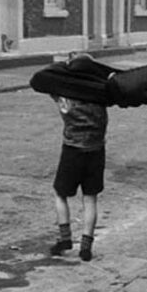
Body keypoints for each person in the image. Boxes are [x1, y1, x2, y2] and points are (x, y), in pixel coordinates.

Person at [47, 55, 108, 262]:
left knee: (60, 193)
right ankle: (86, 246)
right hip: (96, 150)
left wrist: (66, 68)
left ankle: (65, 238)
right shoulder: (101, 94)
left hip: (72, 149)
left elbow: (44, 77)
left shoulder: (64, 95)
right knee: (90, 198)